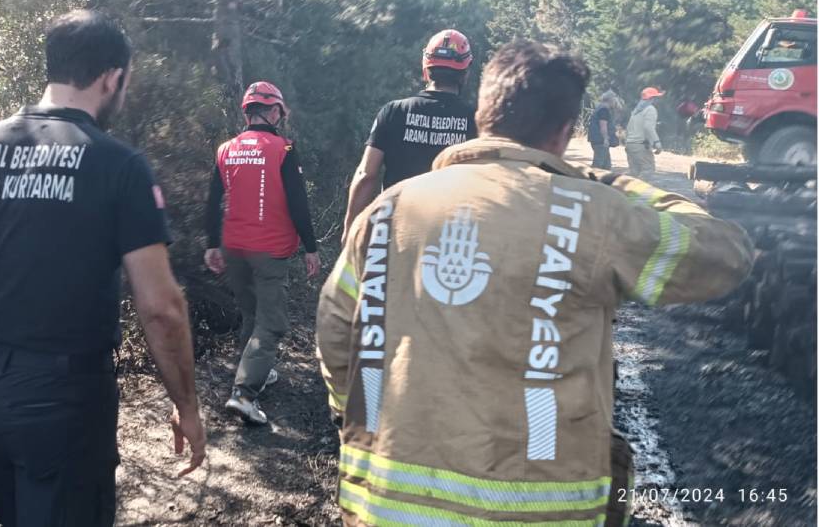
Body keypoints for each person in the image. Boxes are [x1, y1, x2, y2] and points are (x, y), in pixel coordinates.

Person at [316, 41, 753, 527]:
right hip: (539, 511)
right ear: (565, 130)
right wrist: (612, 185)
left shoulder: (387, 211)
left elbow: (336, 333)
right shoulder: (593, 212)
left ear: (484, 114)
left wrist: (352, 413)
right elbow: (725, 253)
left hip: (385, 505)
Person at [0, 10, 205, 527]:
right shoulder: (118, 165)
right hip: (63, 401)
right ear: (113, 77)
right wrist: (187, 403)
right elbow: (161, 308)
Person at [204, 81, 320, 426]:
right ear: (273, 112)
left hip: (233, 246)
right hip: (269, 248)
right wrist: (311, 247)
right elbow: (298, 202)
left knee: (251, 312)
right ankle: (244, 394)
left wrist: (212, 243)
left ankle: (256, 370)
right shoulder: (282, 148)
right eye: (279, 113)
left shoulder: (226, 149)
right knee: (271, 324)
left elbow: (212, 201)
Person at [342, 29, 477, 243]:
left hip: (395, 234)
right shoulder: (476, 120)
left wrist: (351, 229)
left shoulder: (394, 112)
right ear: (465, 73)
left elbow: (366, 175)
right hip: (449, 238)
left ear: (426, 68)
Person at [625, 86, 664, 178]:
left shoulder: (636, 111)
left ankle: (628, 192)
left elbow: (628, 128)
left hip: (630, 145)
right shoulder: (650, 109)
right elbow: (648, 127)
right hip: (641, 146)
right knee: (648, 170)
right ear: (652, 99)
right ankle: (638, 192)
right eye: (656, 98)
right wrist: (657, 143)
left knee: (634, 174)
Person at [587, 89, 623, 169]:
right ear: (611, 100)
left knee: (606, 166)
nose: (615, 101)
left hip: (597, 140)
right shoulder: (604, 110)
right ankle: (591, 180)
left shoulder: (599, 108)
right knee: (598, 166)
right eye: (614, 99)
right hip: (601, 141)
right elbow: (603, 125)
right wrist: (605, 138)